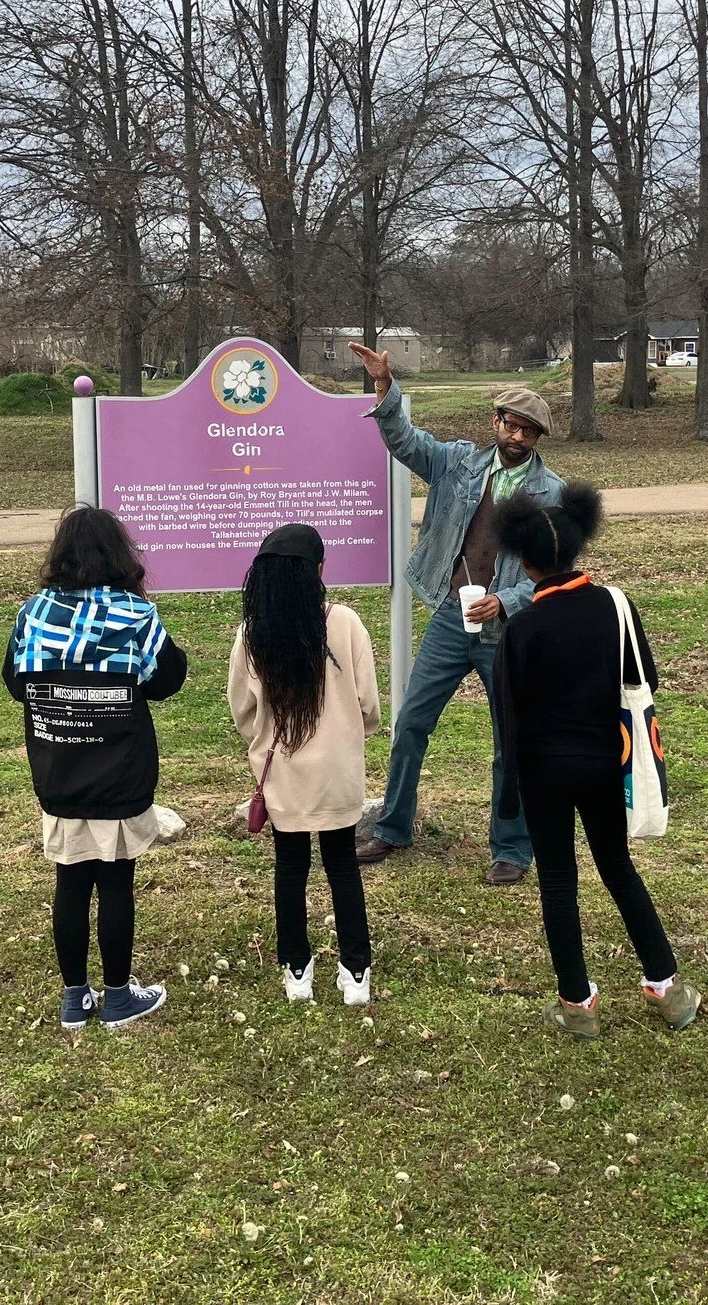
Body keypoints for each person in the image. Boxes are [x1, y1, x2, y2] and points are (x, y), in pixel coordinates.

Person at [347, 341, 564, 886]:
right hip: (450, 618)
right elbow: (403, 440)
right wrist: (385, 387)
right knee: (412, 723)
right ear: (495, 422)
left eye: (527, 432)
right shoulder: (458, 463)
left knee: (508, 741)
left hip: (508, 633)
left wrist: (510, 600)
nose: (516, 437)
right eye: (510, 425)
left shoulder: (551, 493)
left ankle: (512, 848)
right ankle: (394, 827)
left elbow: (555, 575)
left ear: (537, 439)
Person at [491, 481, 701, 1040]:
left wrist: (510, 792)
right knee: (618, 869)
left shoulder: (521, 629)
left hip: (544, 770)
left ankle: (577, 1004)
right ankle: (668, 988)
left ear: (524, 563)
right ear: (578, 547)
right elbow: (645, 679)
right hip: (611, 761)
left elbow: (507, 718)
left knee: (558, 880)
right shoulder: (617, 605)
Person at [3, 506, 185, 1033]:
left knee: (70, 881)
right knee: (117, 882)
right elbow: (167, 678)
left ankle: (74, 999)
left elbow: (16, 683)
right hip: (120, 769)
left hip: (59, 766)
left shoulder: (33, 613)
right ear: (119, 555)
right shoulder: (135, 615)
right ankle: (120, 996)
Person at [227, 524, 379, 1006]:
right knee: (342, 867)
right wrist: (349, 735)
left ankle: (297, 970)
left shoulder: (253, 634)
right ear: (318, 571)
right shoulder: (346, 623)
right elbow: (368, 705)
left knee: (290, 870)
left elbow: (242, 710)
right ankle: (356, 972)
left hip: (285, 774)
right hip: (338, 771)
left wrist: (265, 741)